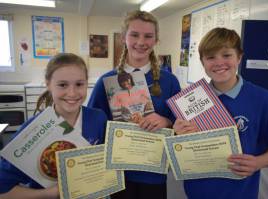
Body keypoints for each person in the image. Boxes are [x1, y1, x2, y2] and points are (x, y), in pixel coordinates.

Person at [173, 27, 268, 199]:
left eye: (226, 55)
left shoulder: (263, 99)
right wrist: (179, 136)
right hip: (197, 191)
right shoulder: (189, 101)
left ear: (239, 57)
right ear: (203, 62)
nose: (219, 62)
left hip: (241, 192)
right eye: (210, 57)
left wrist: (258, 162)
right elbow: (182, 152)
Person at [88, 10, 181, 199]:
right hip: (119, 171)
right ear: (124, 38)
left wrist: (166, 121)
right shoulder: (107, 81)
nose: (141, 42)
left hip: (153, 170)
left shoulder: (170, 81)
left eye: (148, 36)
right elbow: (93, 124)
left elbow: (182, 122)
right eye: (134, 35)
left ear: (156, 40)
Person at [0, 53, 107, 199]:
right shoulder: (30, 131)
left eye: (79, 84)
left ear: (87, 83)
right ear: (48, 84)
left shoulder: (98, 118)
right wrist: (51, 193)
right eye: (62, 85)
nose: (72, 93)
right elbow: (3, 191)